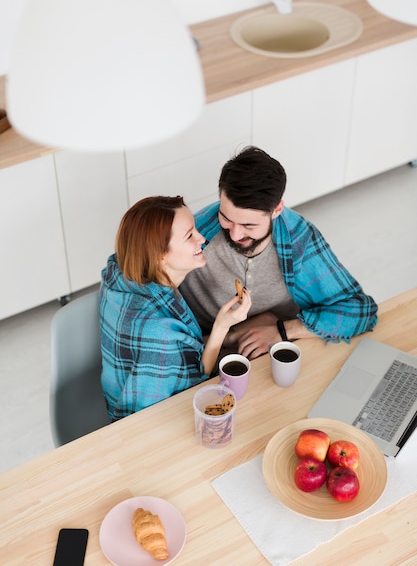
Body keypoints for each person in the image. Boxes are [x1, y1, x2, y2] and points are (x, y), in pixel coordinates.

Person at [179, 146, 378, 358]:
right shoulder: (195, 232)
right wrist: (220, 338)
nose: (236, 234)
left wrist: (282, 331)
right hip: (202, 346)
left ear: (277, 210)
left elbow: (360, 311)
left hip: (277, 344)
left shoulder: (299, 238)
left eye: (249, 225)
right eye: (226, 218)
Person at [99, 195, 251, 421]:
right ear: (161, 254)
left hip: (114, 388)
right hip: (144, 426)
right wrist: (221, 327)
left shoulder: (119, 272)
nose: (202, 238)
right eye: (190, 235)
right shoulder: (162, 333)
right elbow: (195, 385)